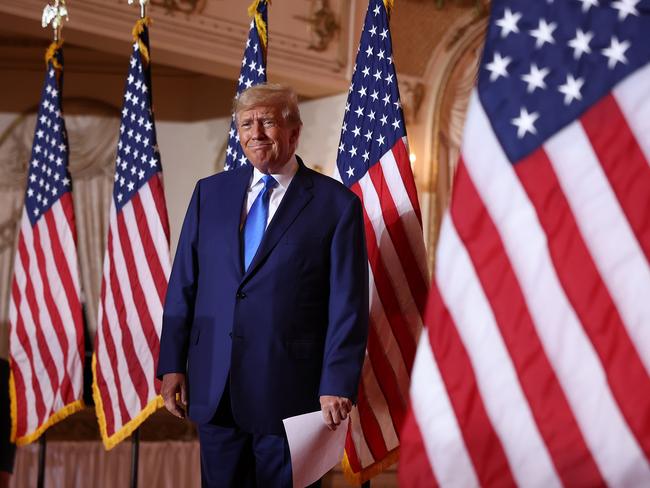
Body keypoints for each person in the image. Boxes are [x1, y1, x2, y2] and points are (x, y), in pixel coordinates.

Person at [157, 83, 369, 487]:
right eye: (245, 124)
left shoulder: (336, 205)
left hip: (292, 393)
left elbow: (348, 304)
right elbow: (184, 282)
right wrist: (172, 364)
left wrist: (337, 382)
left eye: (267, 122)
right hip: (214, 389)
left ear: (294, 132)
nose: (255, 132)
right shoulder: (210, 194)